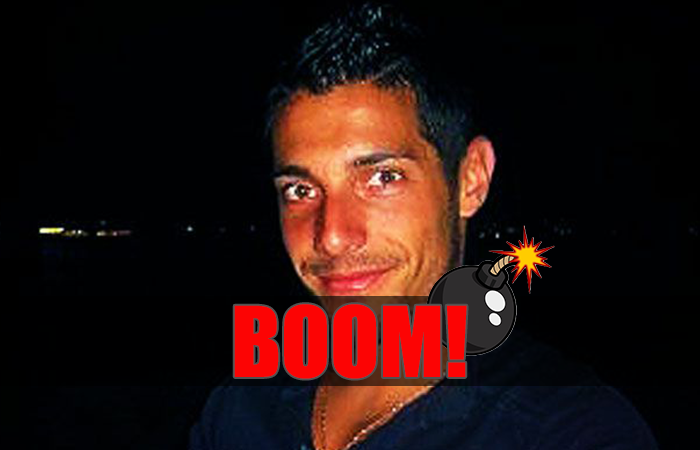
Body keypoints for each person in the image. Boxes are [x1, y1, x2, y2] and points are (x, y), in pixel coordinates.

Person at [189, 3, 657, 449]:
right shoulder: (241, 405)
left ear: (470, 180)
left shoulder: (566, 428)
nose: (330, 236)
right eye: (300, 189)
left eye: (382, 178)